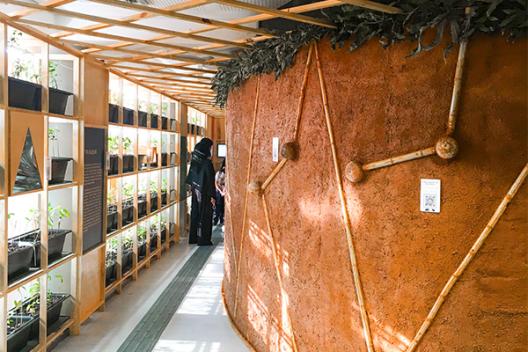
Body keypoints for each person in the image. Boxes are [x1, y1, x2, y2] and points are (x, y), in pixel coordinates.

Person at [185, 138, 215, 246]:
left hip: (195, 190)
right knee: (205, 216)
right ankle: (204, 239)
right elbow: (211, 181)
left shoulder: (195, 160)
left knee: (195, 213)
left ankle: (193, 238)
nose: (212, 150)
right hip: (205, 193)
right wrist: (213, 196)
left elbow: (192, 176)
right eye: (211, 148)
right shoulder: (207, 163)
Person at [214, 159, 226, 225]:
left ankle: (220, 219)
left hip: (222, 192)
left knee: (220, 206)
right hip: (220, 192)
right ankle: (218, 219)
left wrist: (222, 191)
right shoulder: (219, 173)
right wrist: (222, 191)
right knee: (219, 206)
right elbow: (216, 183)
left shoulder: (219, 173)